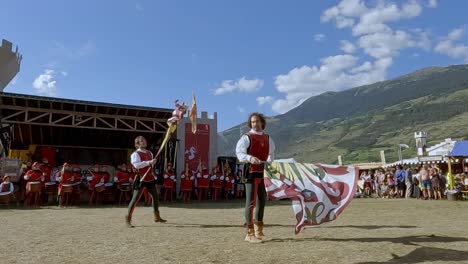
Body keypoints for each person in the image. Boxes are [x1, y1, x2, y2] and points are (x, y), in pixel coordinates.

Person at [236, 112, 275, 243]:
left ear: (262, 122)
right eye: (253, 122)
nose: (255, 124)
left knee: (262, 201)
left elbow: (271, 153)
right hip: (250, 172)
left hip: (262, 172)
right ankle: (249, 233)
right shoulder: (247, 137)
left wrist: (269, 161)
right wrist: (250, 158)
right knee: (251, 202)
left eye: (257, 121)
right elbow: (239, 153)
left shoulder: (268, 138)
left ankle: (259, 231)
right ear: (250, 123)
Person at [125, 136, 166, 227]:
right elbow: (136, 165)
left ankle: (156, 216)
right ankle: (128, 218)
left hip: (149, 178)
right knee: (135, 199)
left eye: (144, 140)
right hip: (141, 178)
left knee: (155, 197)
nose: (144, 142)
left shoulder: (149, 153)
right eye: (141, 141)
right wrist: (149, 162)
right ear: (138, 144)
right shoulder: (135, 154)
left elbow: (151, 165)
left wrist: (152, 163)